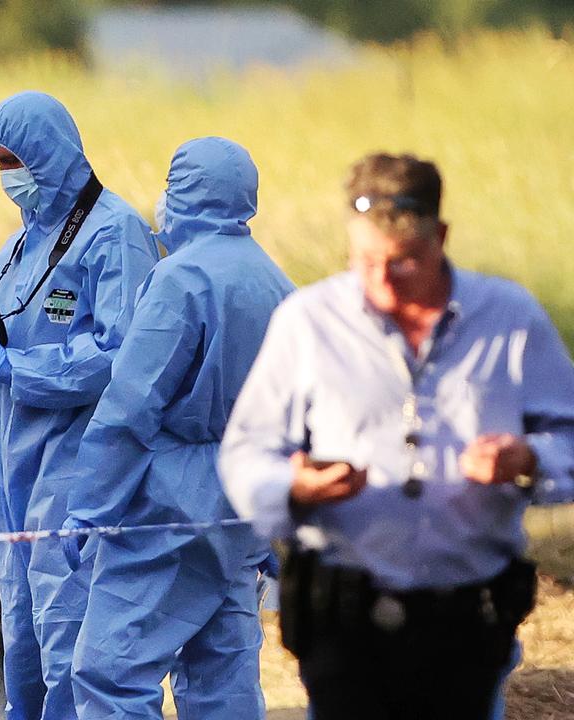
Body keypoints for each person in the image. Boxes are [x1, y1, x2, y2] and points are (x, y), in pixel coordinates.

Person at [219, 153, 574, 720]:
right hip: (341, 613)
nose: (382, 284)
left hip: (469, 614)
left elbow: (569, 436)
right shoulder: (307, 321)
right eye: (364, 261)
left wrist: (529, 457)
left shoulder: (510, 318)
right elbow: (246, 454)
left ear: (442, 236)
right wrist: (293, 485)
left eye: (404, 262)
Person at [61, 136, 294, 720]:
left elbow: (131, 404)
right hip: (244, 498)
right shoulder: (275, 282)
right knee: (224, 674)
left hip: (170, 504)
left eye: (171, 184)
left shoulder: (180, 279)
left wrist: (90, 502)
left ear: (188, 191)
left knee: (111, 674)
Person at [0, 91, 154, 720]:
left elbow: (119, 354)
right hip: (15, 469)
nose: (10, 178)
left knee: (75, 640)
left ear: (50, 153)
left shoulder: (115, 234)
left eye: (16, 161)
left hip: (80, 469)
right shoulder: (15, 248)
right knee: (23, 646)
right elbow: (17, 341)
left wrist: (16, 366)